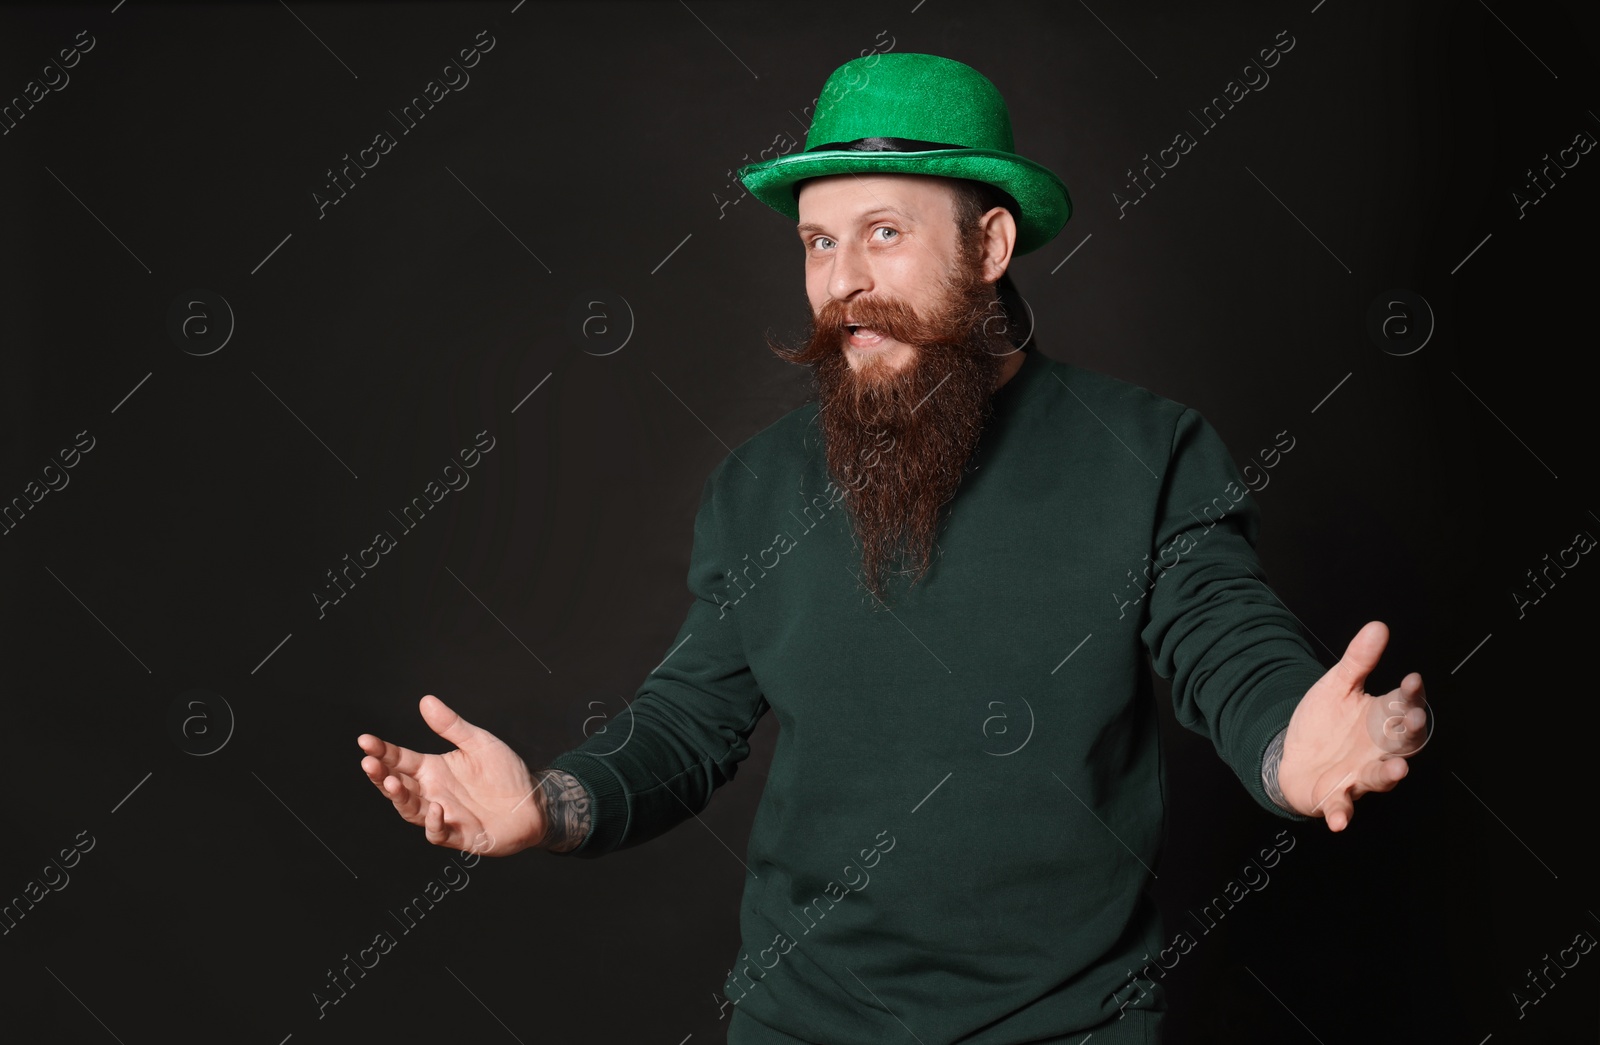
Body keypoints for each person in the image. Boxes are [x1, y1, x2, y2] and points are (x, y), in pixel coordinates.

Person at [357, 52, 1429, 1044]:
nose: (842, 282)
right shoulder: (758, 486)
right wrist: (551, 803)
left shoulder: (1147, 453)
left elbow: (1223, 643)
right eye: (818, 243)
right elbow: (688, 724)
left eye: (882, 232)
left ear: (989, 246)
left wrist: (1291, 746)